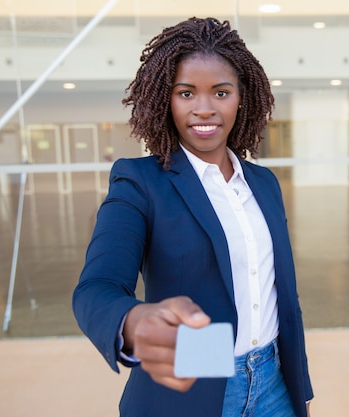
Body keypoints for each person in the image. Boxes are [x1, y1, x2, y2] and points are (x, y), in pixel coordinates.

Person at [72, 17, 313, 417]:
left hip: (274, 382)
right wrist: (133, 321)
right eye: (186, 93)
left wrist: (298, 388)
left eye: (221, 92)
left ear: (242, 98)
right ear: (166, 100)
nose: (205, 108)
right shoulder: (140, 181)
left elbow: (281, 297)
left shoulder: (264, 183)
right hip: (197, 377)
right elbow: (96, 287)